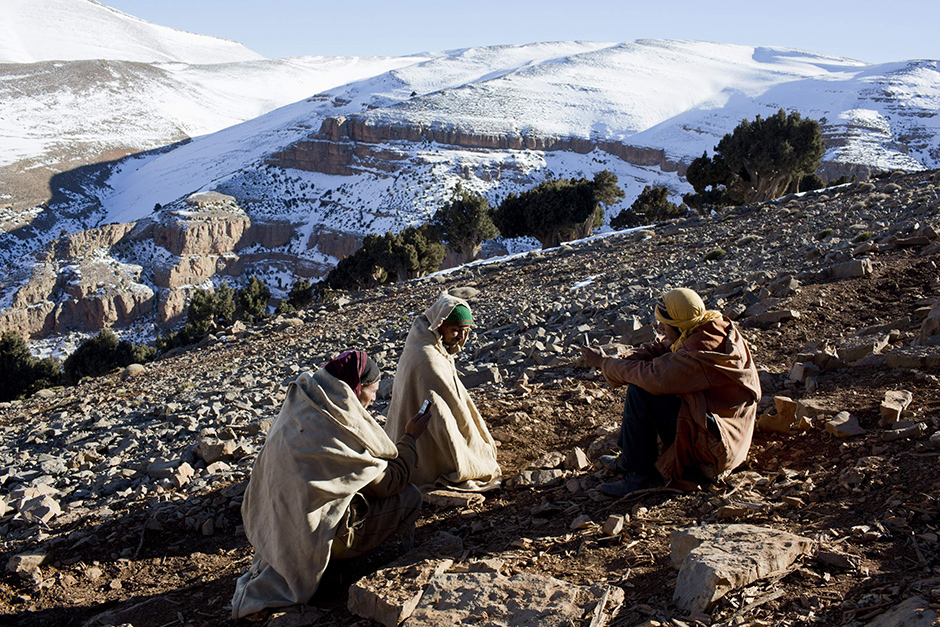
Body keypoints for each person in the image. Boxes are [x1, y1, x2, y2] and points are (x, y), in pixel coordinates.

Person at [231, 350, 432, 619]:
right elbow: (389, 483)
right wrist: (409, 438)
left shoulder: (304, 405)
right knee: (410, 496)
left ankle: (326, 565)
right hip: (315, 535)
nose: (374, 398)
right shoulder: (340, 427)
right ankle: (338, 571)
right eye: (371, 391)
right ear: (355, 389)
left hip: (278, 531)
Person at [580, 288, 761, 497]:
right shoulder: (707, 326)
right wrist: (619, 359)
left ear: (678, 325)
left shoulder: (698, 356)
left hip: (718, 448)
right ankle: (629, 459)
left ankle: (640, 476)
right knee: (645, 385)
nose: (659, 328)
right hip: (725, 432)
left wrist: (604, 363)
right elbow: (663, 347)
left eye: (664, 324)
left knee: (642, 392)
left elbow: (654, 376)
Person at [384, 292, 501, 492]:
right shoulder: (426, 356)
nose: (461, 337)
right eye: (455, 330)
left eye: (466, 330)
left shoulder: (426, 341)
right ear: (439, 324)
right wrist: (465, 451)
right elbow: (442, 411)